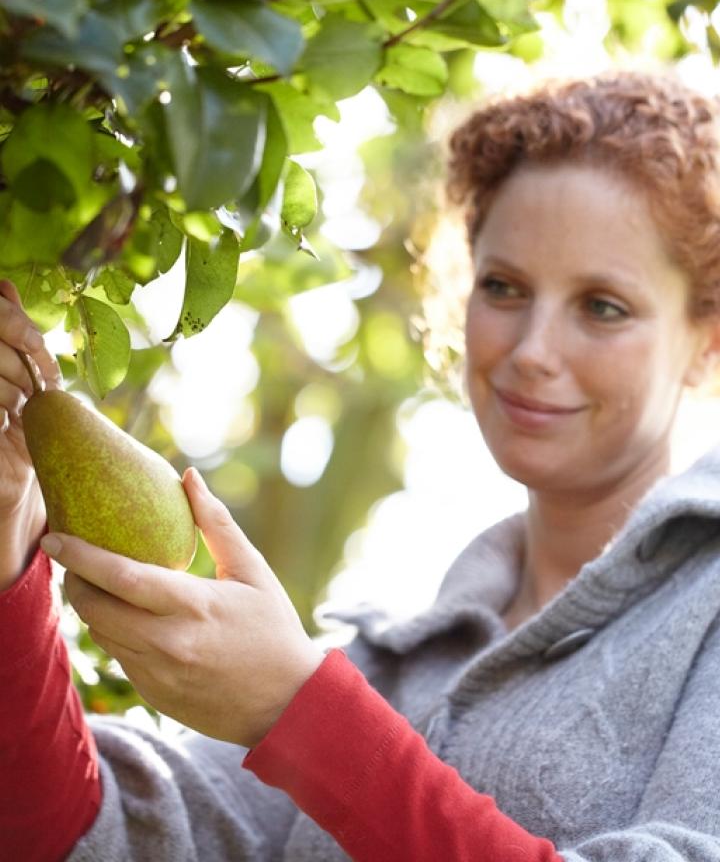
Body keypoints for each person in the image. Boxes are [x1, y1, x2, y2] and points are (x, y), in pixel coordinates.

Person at [3, 67, 720, 862]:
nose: (531, 351)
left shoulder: (705, 610)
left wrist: (301, 714)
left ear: (707, 339)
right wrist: (6, 536)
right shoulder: (389, 664)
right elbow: (79, 840)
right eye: (505, 287)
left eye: (603, 307)